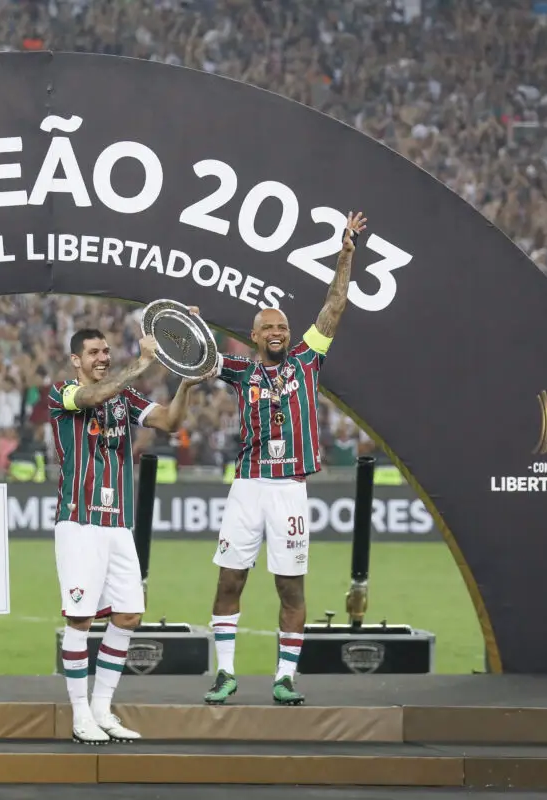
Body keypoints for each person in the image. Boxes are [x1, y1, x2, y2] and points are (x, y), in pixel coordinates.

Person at [204, 211, 367, 707]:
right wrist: (186, 327)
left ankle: (286, 678)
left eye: (283, 326)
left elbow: (335, 305)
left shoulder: (305, 359)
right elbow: (196, 358)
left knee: (290, 587)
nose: (277, 331)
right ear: (254, 335)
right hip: (248, 487)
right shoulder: (237, 371)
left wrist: (345, 253)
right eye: (268, 326)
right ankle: (225, 674)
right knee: (230, 579)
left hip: (290, 488)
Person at [50, 325, 204, 744]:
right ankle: (81, 714)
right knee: (80, 619)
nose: (102, 357)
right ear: (75, 360)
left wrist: (186, 384)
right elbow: (92, 397)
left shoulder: (124, 397)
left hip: (118, 522)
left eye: (106, 351)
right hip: (79, 521)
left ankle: (102, 708)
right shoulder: (61, 393)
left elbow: (170, 422)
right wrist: (142, 363)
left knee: (129, 615)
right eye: (93, 352)